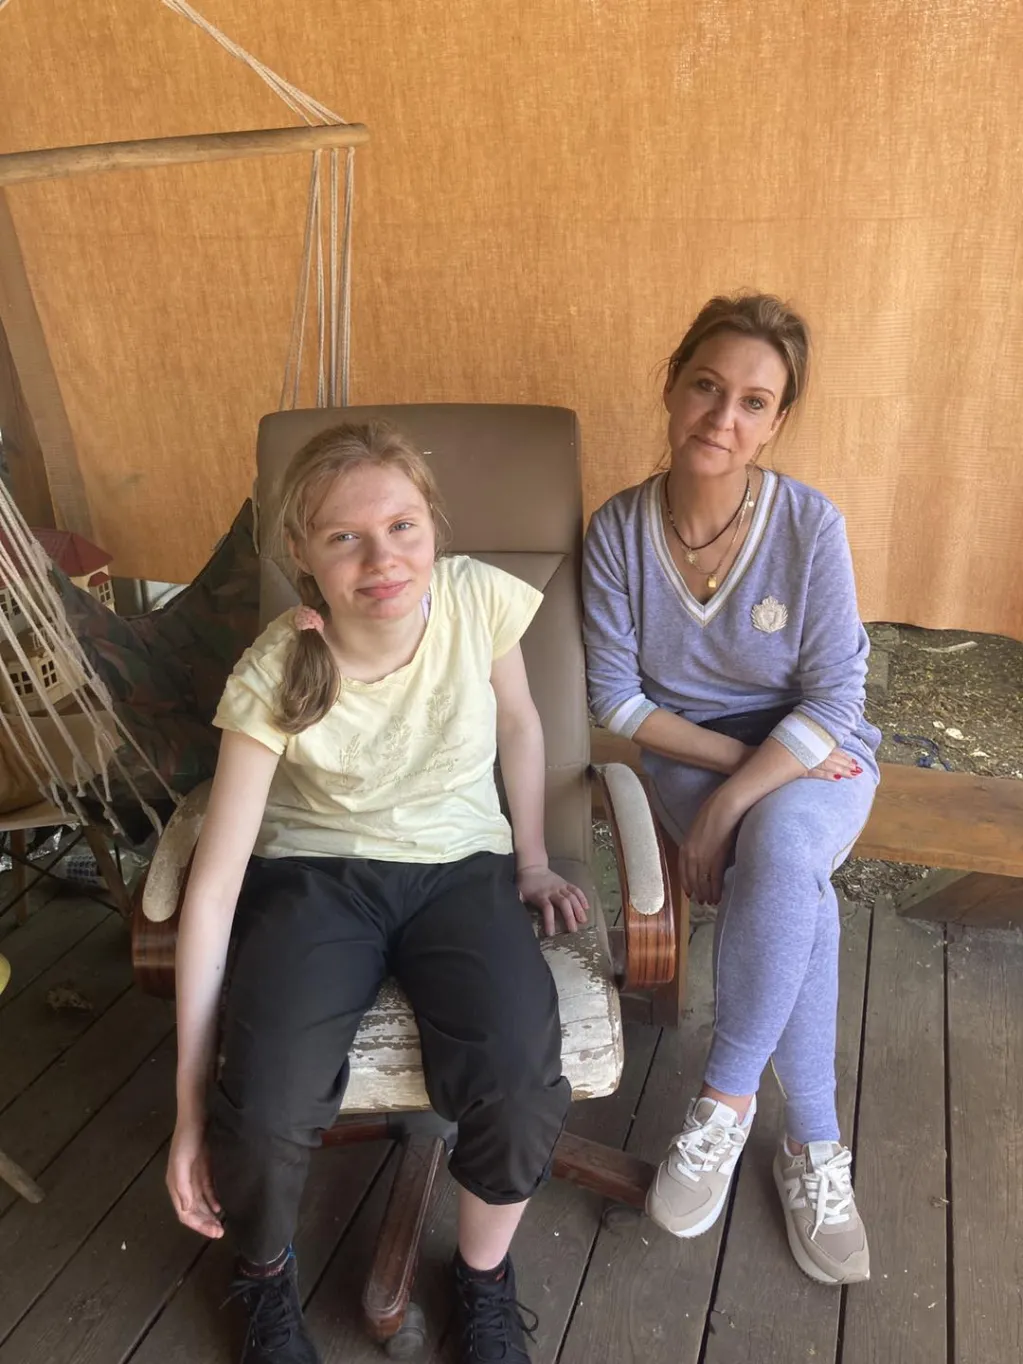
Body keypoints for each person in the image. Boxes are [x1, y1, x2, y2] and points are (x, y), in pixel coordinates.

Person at [165, 421, 589, 1364]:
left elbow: (520, 725)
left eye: (401, 526)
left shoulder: (476, 600)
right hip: (317, 878)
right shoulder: (277, 667)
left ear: (433, 524)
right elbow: (216, 885)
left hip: (462, 869)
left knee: (519, 1081)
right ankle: (263, 1277)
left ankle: (482, 1280)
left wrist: (529, 859)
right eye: (344, 537)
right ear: (302, 554)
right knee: (263, 1102)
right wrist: (189, 1109)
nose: (382, 558)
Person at [582, 294, 879, 1286]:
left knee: (782, 849)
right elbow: (616, 700)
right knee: (792, 876)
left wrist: (726, 808)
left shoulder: (809, 523)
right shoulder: (617, 530)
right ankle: (813, 1146)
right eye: (707, 386)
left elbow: (835, 697)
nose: (723, 417)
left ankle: (727, 1099)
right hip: (689, 751)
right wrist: (722, 777)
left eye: (754, 402)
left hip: (814, 752)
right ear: (671, 384)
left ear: (777, 420)